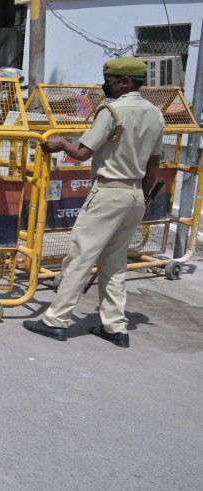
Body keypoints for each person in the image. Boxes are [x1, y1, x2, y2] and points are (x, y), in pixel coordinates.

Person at [24, 57, 165, 348]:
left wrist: (61, 143)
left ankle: (56, 320)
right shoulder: (155, 114)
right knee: (114, 262)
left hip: (109, 192)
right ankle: (115, 327)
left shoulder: (112, 110)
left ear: (125, 82)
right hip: (136, 194)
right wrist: (147, 197)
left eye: (110, 81)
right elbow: (154, 164)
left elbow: (82, 152)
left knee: (80, 256)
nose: (106, 86)